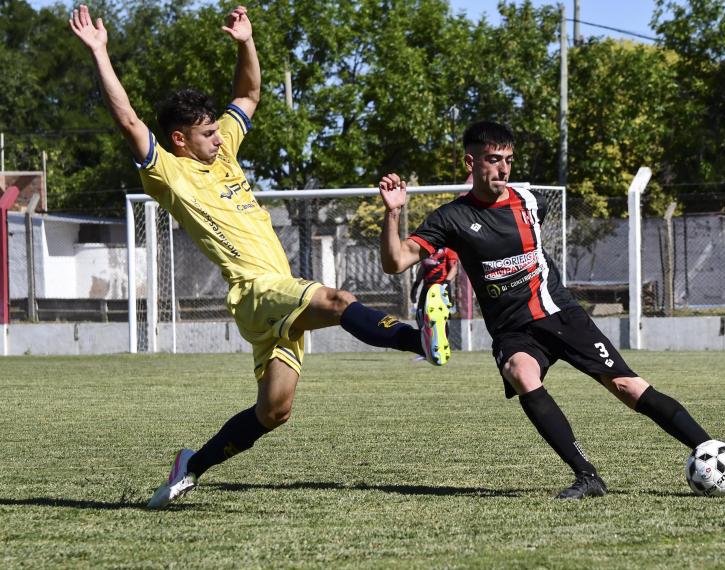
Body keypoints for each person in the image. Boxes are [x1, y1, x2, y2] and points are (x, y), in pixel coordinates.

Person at [69, 4, 452, 509]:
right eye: (206, 134)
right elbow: (128, 119)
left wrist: (246, 42)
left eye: (216, 131)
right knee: (339, 300)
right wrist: (100, 53)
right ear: (179, 140)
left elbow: (248, 94)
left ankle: (191, 465)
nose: (218, 139)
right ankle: (419, 339)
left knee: (274, 411)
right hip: (253, 290)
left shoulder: (221, 149)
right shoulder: (168, 172)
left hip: (276, 292)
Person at [378, 121, 725, 499]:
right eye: (493, 160)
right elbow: (395, 262)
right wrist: (393, 213)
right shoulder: (450, 218)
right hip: (513, 329)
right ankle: (588, 476)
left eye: (508, 160)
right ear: (470, 162)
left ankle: (716, 452)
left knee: (627, 387)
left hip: (558, 313)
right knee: (519, 373)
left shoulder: (528, 202)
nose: (503, 168)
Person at [410, 246, 459, 327]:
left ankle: (442, 338)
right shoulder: (427, 248)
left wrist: (446, 283)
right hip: (427, 288)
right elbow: (423, 267)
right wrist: (416, 285)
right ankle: (422, 337)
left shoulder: (447, 249)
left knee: (441, 320)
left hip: (441, 287)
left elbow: (454, 268)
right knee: (420, 315)